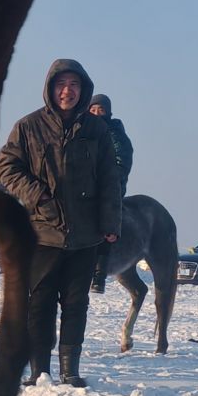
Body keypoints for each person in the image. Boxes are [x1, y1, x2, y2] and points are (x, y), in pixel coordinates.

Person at [0, 60, 122, 389]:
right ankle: (40, 370)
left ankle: (70, 370)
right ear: (51, 89)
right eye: (61, 84)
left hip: (85, 235)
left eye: (74, 85)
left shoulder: (97, 131)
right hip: (41, 233)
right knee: (39, 304)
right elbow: (7, 167)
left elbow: (110, 179)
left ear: (83, 91)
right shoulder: (28, 127)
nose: (68, 91)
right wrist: (38, 196)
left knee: (76, 303)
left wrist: (110, 222)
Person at [86, 93, 133, 293]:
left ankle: (99, 274)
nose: (96, 114)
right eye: (93, 110)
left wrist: (110, 183)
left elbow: (122, 162)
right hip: (87, 184)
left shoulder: (115, 133)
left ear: (108, 112)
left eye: (101, 110)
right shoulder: (84, 130)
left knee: (104, 221)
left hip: (110, 186)